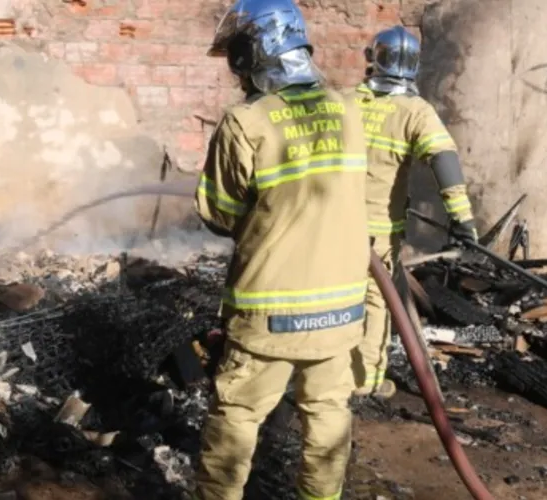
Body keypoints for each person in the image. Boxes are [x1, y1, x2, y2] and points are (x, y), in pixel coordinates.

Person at [191, 1, 371, 498]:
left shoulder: (245, 122)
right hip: (342, 307)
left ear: (253, 52)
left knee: (238, 415)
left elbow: (219, 214)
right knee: (329, 415)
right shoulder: (349, 109)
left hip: (270, 310)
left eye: (235, 55)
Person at [348, 26, 478, 399]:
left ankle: (324, 374)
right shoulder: (415, 111)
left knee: (333, 296)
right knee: (376, 301)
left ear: (373, 57)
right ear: (414, 66)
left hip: (331, 225)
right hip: (376, 232)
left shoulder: (343, 102)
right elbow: (444, 159)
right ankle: (365, 381)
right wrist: (462, 219)